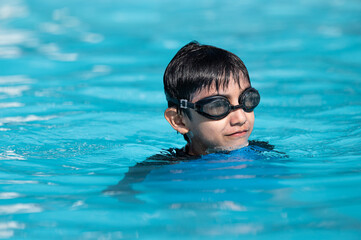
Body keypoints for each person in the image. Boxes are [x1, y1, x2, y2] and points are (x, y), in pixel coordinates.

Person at [163, 41, 260, 157]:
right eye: (217, 106)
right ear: (179, 120)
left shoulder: (267, 156)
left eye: (247, 99)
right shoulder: (162, 171)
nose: (241, 118)